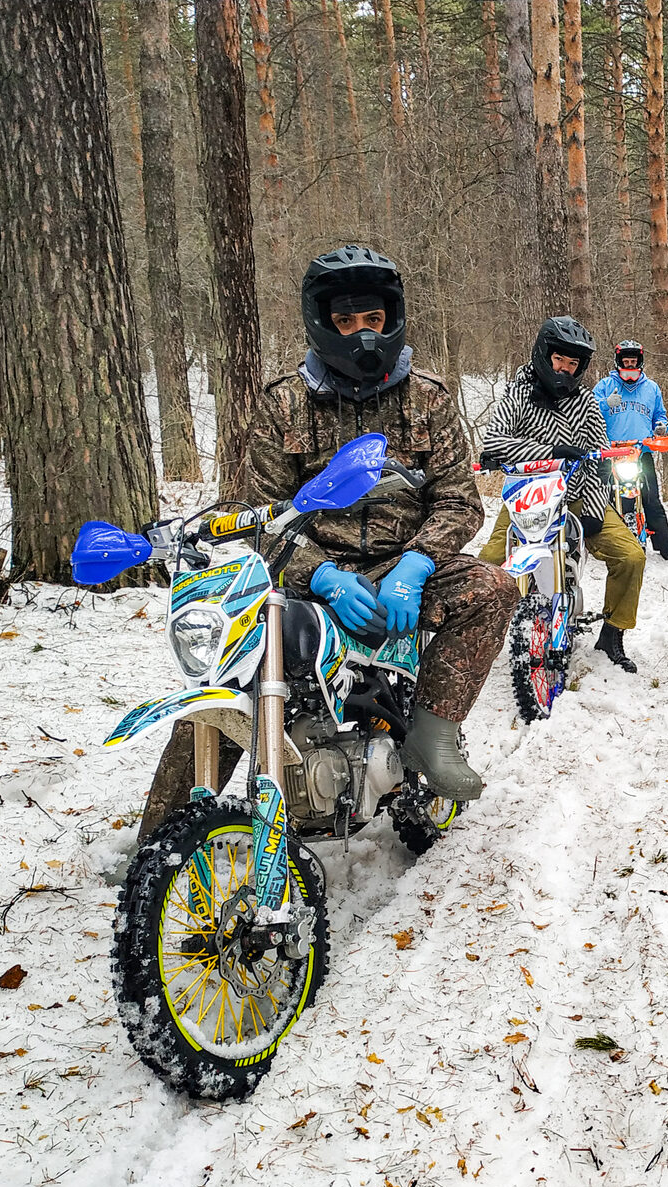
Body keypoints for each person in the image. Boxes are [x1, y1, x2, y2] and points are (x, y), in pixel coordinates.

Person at [139, 246, 517, 836]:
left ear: (391, 318)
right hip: (309, 574)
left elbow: (459, 501)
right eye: (346, 321)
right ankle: (165, 835)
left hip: (406, 563)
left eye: (372, 319)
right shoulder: (283, 403)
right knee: (233, 663)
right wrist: (319, 573)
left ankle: (433, 733)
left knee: (494, 587)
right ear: (323, 323)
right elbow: (255, 514)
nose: (362, 333)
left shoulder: (430, 398)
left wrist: (416, 563)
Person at [479, 316, 646, 673]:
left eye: (573, 363)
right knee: (488, 565)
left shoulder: (586, 402)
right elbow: (493, 441)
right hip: (527, 497)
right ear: (544, 354)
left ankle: (613, 633)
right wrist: (550, 450)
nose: (565, 369)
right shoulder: (518, 392)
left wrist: (595, 507)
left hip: (576, 495)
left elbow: (599, 457)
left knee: (631, 556)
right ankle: (480, 635)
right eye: (559, 360)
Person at [593, 340, 668, 563]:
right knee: (600, 496)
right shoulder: (605, 385)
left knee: (651, 498)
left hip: (640, 451)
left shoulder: (651, 388)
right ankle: (598, 543)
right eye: (626, 361)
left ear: (640, 362)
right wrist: (605, 403)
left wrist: (661, 428)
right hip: (610, 451)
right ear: (619, 362)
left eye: (633, 361)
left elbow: (659, 415)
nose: (630, 365)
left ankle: (665, 547)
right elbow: (589, 410)